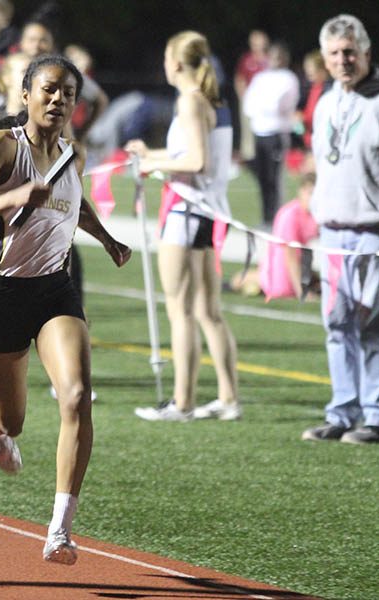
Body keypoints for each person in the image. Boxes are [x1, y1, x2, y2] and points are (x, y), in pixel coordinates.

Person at [0, 54, 131, 564]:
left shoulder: (71, 154)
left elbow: (76, 206)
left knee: (76, 396)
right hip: (5, 295)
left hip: (55, 290)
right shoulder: (3, 146)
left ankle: (60, 529)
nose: (58, 100)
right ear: (27, 94)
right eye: (49, 90)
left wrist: (109, 239)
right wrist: (9, 200)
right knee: (12, 418)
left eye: (68, 93)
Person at [125, 31, 240, 422]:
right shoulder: (210, 99)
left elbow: (196, 162)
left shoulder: (190, 100)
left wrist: (153, 165)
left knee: (181, 310)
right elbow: (189, 153)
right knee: (208, 309)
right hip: (204, 212)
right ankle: (227, 398)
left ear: (175, 62)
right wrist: (151, 153)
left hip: (187, 213)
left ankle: (183, 402)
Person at [301, 14, 379, 445]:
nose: (343, 60)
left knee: (371, 326)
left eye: (350, 52)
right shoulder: (329, 99)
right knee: (336, 323)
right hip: (331, 231)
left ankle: (375, 415)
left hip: (373, 231)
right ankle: (342, 411)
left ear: (366, 52)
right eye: (334, 53)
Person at [229, 172, 319, 299]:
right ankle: (241, 280)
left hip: (300, 263)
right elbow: (290, 255)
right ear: (301, 191)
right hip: (281, 265)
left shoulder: (314, 214)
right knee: (281, 289)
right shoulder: (291, 215)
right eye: (310, 193)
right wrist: (301, 292)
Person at [243, 42, 300, 227]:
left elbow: (281, 105)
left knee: (275, 179)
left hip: (277, 132)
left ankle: (277, 219)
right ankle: (266, 217)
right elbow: (249, 104)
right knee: (263, 178)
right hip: (260, 132)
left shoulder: (289, 78)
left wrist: (266, 107)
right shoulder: (261, 78)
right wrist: (263, 108)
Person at [234, 30, 269, 163]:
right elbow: (240, 78)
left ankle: (264, 154)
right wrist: (243, 97)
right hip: (250, 99)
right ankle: (249, 157)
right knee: (248, 128)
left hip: (266, 100)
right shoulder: (247, 59)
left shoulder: (269, 59)